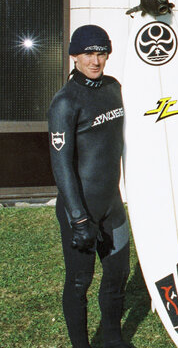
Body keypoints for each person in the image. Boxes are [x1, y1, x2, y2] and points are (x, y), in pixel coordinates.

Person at [48, 25, 130, 348]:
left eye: (101, 53)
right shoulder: (64, 102)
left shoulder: (114, 88)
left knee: (117, 275)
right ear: (74, 56)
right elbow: (61, 166)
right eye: (88, 53)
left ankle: (112, 338)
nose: (95, 61)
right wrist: (79, 219)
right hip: (79, 209)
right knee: (80, 281)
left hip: (112, 205)